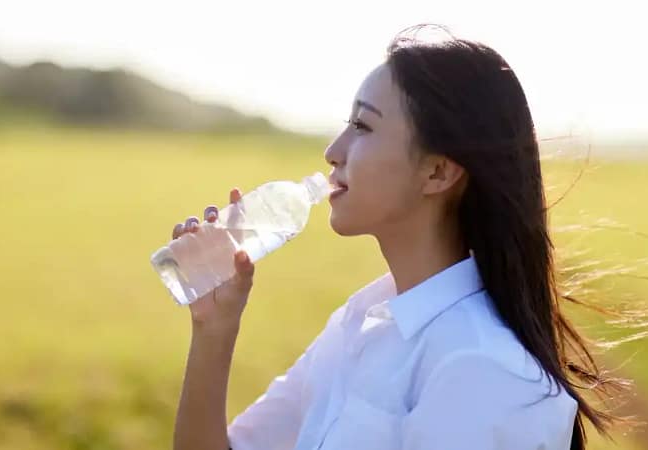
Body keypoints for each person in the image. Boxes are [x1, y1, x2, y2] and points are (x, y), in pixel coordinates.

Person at [171, 25, 622, 450]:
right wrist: (215, 327)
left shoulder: (484, 371)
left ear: (438, 171)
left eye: (363, 127)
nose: (332, 152)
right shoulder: (361, 320)